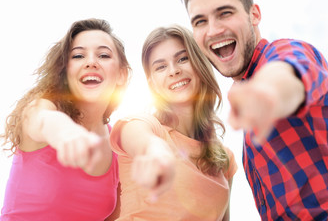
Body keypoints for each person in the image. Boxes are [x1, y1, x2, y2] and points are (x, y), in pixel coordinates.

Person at [179, 0, 328, 220]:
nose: (214, 30)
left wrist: (266, 92)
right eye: (200, 21)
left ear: (254, 14)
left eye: (224, 13)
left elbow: (290, 72)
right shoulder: (246, 104)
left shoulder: (284, 52)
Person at [0, 18, 131, 221]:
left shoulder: (116, 146)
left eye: (103, 55)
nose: (91, 62)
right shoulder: (41, 108)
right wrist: (66, 132)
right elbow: (43, 120)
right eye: (78, 55)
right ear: (65, 72)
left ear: (122, 74)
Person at [109, 24, 237, 221]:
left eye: (183, 59)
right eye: (161, 66)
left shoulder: (225, 159)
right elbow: (143, 142)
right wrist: (155, 152)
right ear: (152, 83)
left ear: (199, 63)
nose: (173, 71)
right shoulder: (139, 124)